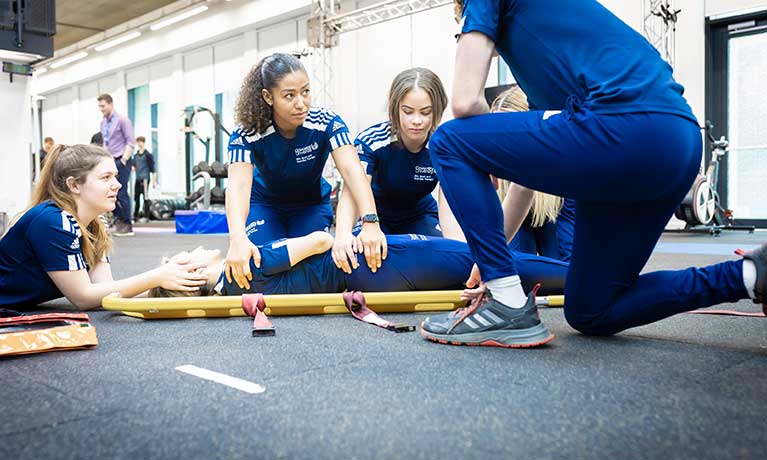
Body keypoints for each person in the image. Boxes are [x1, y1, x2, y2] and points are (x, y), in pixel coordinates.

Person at [419, 0, 766, 347]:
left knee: (449, 139)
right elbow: (526, 181)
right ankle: (750, 274)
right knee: (592, 311)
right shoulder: (550, 55)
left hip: (623, 127)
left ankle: (507, 307)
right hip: (677, 144)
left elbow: (464, 102)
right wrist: (491, 259)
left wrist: (480, 153)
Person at [225, 53, 386, 291]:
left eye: (306, 91)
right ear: (268, 97)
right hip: (265, 206)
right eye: (289, 96)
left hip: (310, 205)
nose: (301, 103)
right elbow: (238, 186)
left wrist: (370, 222)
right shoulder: (246, 133)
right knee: (258, 262)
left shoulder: (327, 122)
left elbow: (353, 171)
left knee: (318, 261)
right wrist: (237, 238)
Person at [0, 144, 209, 310]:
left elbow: (104, 291)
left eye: (115, 176)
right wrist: (158, 276)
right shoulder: (52, 221)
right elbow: (84, 297)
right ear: (74, 186)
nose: (117, 184)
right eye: (105, 177)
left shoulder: (95, 223)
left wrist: (173, 281)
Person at [149, 232, 567, 299]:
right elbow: (323, 239)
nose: (195, 248)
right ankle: (581, 278)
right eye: (182, 259)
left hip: (368, 276)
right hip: (369, 265)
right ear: (194, 275)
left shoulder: (238, 286)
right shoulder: (245, 265)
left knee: (478, 261)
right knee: (483, 258)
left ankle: (576, 278)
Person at [333, 68, 449, 269]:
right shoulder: (373, 140)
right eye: (408, 111)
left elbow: (450, 204)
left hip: (419, 215)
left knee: (440, 256)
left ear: (437, 110)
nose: (416, 120)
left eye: (426, 112)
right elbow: (352, 191)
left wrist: (457, 248)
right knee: (360, 256)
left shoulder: (443, 145)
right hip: (375, 214)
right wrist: (342, 235)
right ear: (396, 108)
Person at [491, 87, 575, 262]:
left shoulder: (562, 163)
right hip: (512, 217)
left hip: (552, 210)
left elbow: (568, 252)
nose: (503, 141)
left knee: (561, 265)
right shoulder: (491, 161)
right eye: (497, 132)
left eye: (510, 131)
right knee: (517, 261)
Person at [98, 93, 136, 237]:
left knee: (121, 192)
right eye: (99, 106)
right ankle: (119, 220)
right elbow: (105, 143)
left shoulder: (122, 120)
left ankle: (127, 224)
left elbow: (130, 142)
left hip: (121, 160)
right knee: (107, 192)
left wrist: (123, 160)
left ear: (110, 104)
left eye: (103, 106)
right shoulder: (103, 123)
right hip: (109, 161)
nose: (101, 109)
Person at [132, 136, 157, 222]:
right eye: (138, 142)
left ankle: (146, 216)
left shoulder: (148, 155)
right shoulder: (135, 155)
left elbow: (153, 169)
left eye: (140, 142)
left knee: (145, 197)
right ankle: (135, 216)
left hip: (145, 179)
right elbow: (133, 166)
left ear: (143, 142)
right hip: (137, 179)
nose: (139, 144)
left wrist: (154, 181)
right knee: (136, 197)